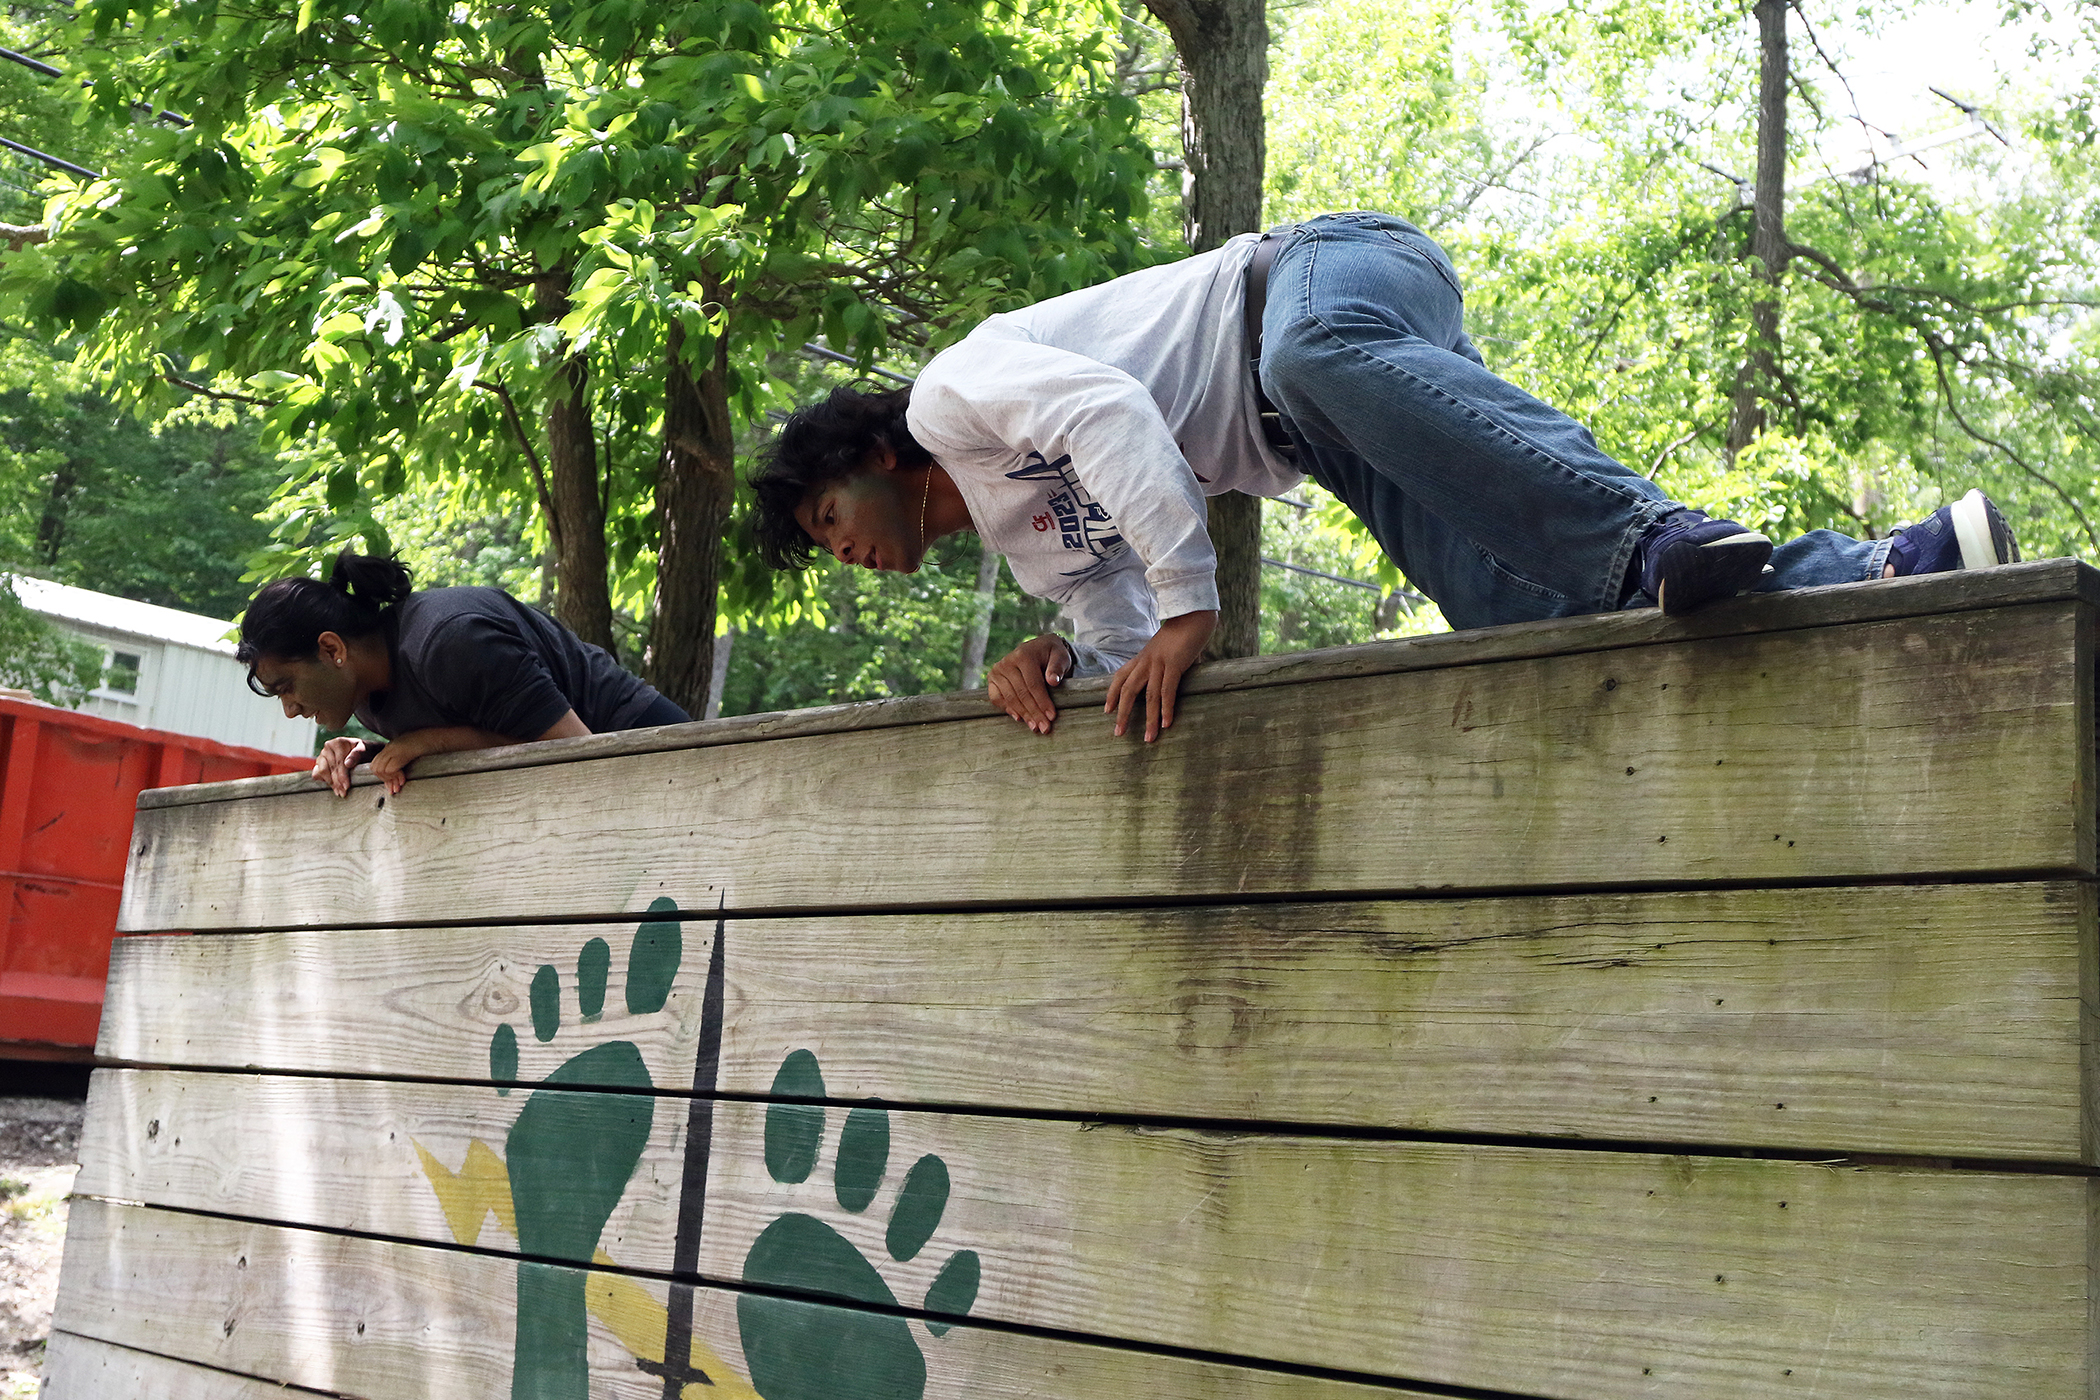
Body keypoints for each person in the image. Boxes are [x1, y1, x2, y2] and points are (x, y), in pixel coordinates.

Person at [750, 211, 2022, 742]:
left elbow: (1111, 411)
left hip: (1320, 280)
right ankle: (1888, 565)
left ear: (873, 456)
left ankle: (1654, 532)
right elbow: (1123, 634)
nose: (841, 547)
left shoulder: (949, 395)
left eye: (828, 516)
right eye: (824, 546)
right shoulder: (1025, 546)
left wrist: (1191, 605)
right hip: (1325, 425)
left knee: (1305, 357)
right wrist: (1064, 661)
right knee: (1519, 610)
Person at [237, 550, 689, 795]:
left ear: (332, 649)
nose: (290, 710)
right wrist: (372, 754)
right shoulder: (367, 698)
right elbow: (490, 732)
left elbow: (578, 749)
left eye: (287, 687)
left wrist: (425, 743)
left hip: (653, 751)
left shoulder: (448, 643)